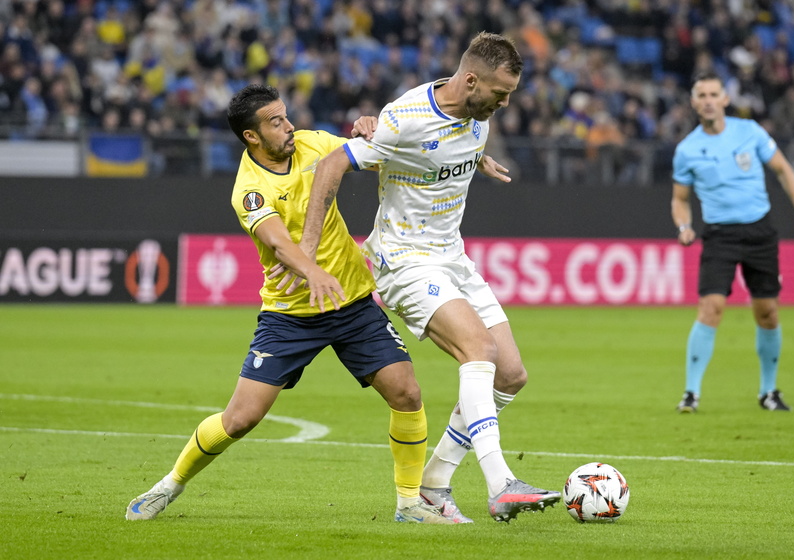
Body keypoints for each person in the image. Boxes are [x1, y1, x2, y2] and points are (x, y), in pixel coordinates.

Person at [125, 84, 451, 525]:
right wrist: (313, 271)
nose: (289, 125)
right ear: (252, 137)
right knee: (240, 419)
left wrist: (374, 128)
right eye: (276, 121)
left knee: (407, 392)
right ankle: (170, 484)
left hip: (351, 302)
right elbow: (278, 244)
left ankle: (409, 503)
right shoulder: (250, 190)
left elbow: (381, 150)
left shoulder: (314, 144)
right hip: (290, 316)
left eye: (286, 115)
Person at [293, 31, 562, 523]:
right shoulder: (404, 120)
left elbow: (446, 146)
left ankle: (434, 483)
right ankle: (501, 483)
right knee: (478, 350)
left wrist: (476, 158)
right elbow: (332, 164)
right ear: (471, 79)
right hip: (405, 261)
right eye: (500, 94)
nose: (504, 105)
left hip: (453, 258)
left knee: (511, 375)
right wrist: (307, 252)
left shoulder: (476, 114)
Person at [671, 70, 794, 413]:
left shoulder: (749, 131)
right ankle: (691, 394)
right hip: (720, 234)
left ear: (725, 99)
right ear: (694, 103)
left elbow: (783, 170)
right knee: (711, 308)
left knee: (767, 312)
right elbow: (680, 199)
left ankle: (769, 392)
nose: (708, 101)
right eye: (702, 96)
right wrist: (684, 227)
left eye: (714, 95)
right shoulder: (688, 149)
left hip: (759, 232)